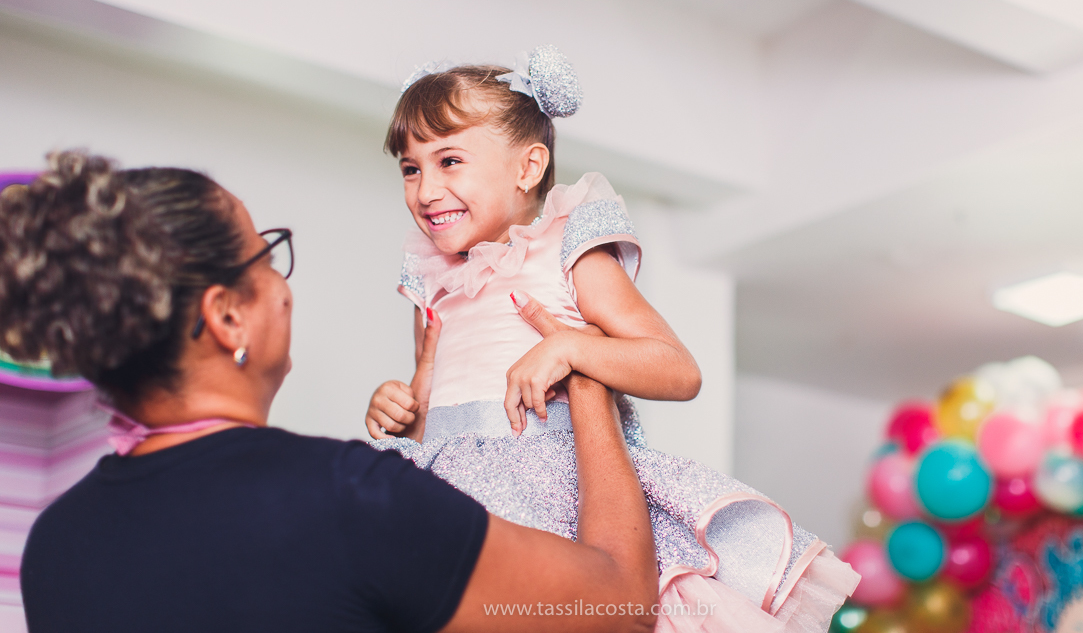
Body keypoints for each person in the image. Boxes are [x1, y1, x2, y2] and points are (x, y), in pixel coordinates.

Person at [1, 150, 658, 633]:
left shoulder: (57, 542)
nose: (283, 286)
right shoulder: (348, 496)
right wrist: (587, 374)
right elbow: (618, 603)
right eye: (265, 255)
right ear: (228, 315)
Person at [365, 47, 860, 632]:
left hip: (557, 496)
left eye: (449, 161)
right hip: (450, 504)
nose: (425, 190)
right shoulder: (434, 283)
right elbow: (431, 413)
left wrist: (570, 347)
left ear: (527, 168)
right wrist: (400, 408)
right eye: (411, 168)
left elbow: (677, 370)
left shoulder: (562, 250)